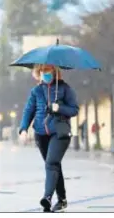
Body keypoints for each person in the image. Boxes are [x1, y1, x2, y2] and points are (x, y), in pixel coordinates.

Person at [19, 64, 79, 212]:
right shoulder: (36, 91)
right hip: (40, 133)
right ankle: (62, 200)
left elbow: (74, 109)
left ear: (54, 71)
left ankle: (47, 198)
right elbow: (29, 110)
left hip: (59, 132)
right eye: (43, 71)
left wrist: (60, 108)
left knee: (51, 163)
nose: (46, 74)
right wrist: (23, 129)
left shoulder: (64, 89)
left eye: (48, 71)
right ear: (38, 73)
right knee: (54, 166)